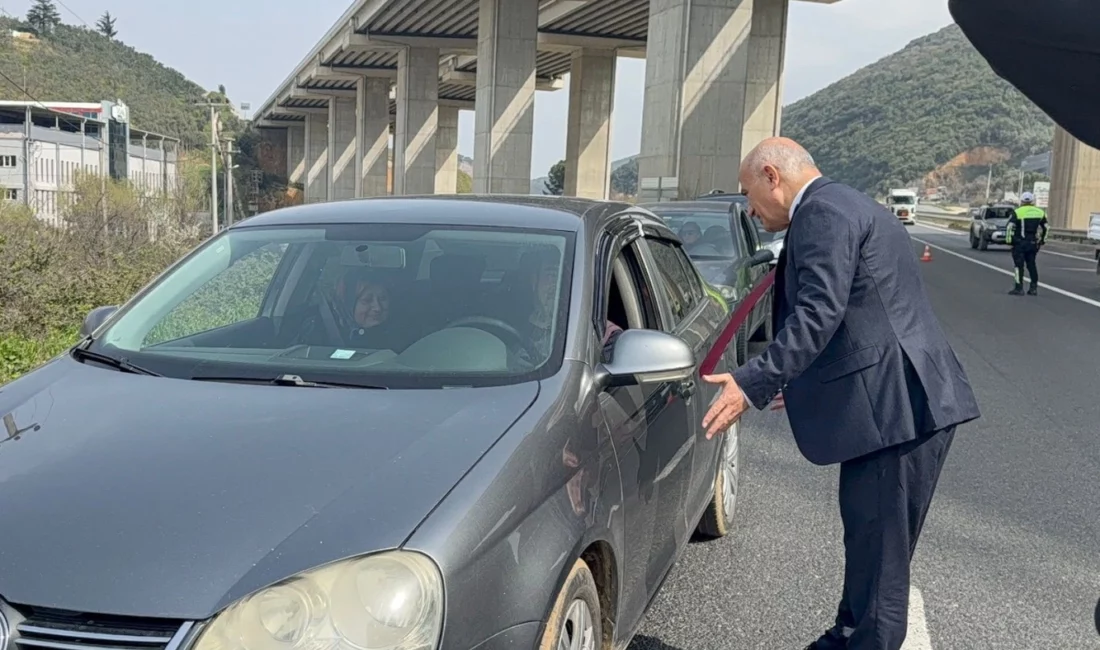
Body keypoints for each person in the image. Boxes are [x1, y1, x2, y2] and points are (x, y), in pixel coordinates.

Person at [700, 138, 981, 650]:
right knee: (873, 545)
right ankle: (846, 637)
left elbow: (819, 311)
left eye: (748, 192)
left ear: (771, 175)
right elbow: (862, 310)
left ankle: (860, 639)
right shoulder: (846, 201)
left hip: (896, 408)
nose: (748, 206)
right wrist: (800, 378)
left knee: (881, 561)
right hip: (900, 401)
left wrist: (754, 381)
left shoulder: (821, 215)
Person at [1005, 191, 1048, 296]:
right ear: (1032, 201)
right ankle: (1033, 288)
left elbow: (1009, 227)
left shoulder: (1018, 212)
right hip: (1033, 243)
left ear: (1022, 201)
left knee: (1018, 266)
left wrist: (1009, 240)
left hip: (1020, 243)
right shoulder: (1040, 212)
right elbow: (1047, 227)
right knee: (1032, 265)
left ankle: (1019, 288)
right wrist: (1042, 240)